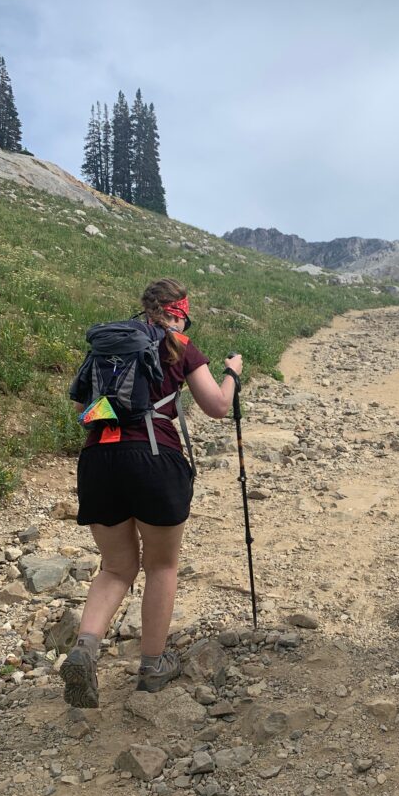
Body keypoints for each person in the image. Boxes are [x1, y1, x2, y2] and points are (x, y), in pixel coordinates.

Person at [60, 278, 243, 708]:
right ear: (179, 310)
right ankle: (152, 665)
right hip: (155, 460)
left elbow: (83, 410)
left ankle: (85, 648)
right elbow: (217, 406)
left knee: (116, 568)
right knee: (162, 566)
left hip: (99, 461)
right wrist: (232, 373)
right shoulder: (179, 344)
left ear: (145, 309)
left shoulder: (109, 345)